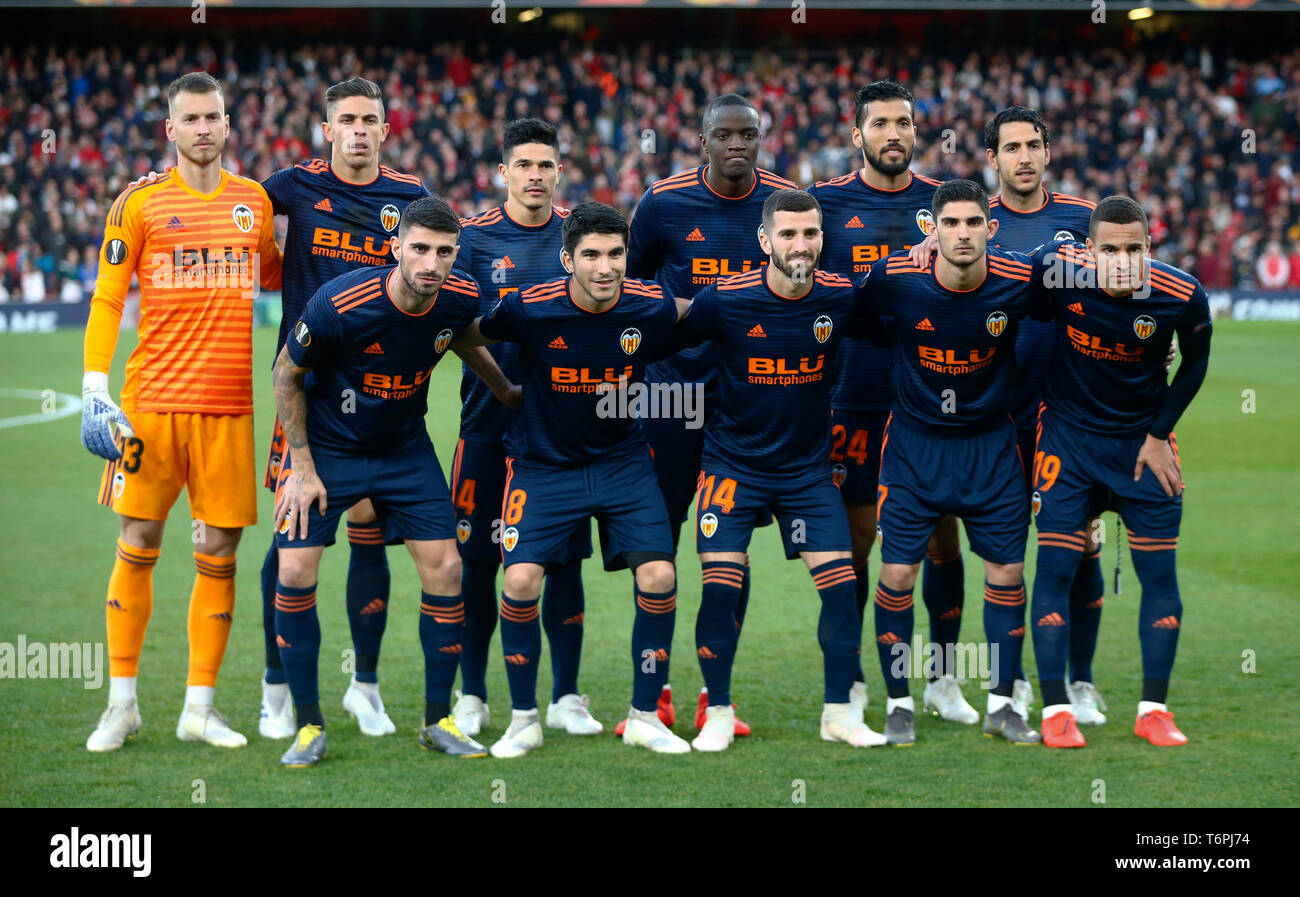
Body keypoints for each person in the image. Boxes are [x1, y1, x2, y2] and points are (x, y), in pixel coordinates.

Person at [271, 197, 514, 767]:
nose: (432, 263)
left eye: (445, 252)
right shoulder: (341, 303)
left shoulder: (458, 297)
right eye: (421, 249)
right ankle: (307, 726)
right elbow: (286, 372)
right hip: (327, 450)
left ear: (457, 254)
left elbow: (458, 339)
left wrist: (504, 391)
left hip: (404, 451)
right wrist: (300, 467)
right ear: (395, 247)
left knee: (447, 567)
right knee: (293, 568)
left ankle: (437, 720)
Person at [81, 72, 283, 752]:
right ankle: (122, 703)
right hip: (150, 407)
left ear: (229, 126)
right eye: (190, 118)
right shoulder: (136, 205)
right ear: (169, 129)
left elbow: (284, 270)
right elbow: (108, 299)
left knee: (217, 550)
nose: (203, 128)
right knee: (136, 544)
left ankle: (199, 706)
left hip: (227, 408)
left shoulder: (253, 204)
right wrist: (93, 385)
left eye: (213, 117)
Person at [457, 202, 694, 758]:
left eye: (615, 254)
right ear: (567, 259)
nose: (605, 266)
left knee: (659, 575)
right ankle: (523, 720)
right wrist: (503, 390)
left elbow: (709, 314)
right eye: (591, 255)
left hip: (624, 464)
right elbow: (465, 335)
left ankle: (643, 716)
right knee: (519, 583)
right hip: (543, 466)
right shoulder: (529, 307)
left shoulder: (649, 303)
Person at [679, 188, 887, 751]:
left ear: (824, 238)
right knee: (721, 590)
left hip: (807, 473)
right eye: (789, 234)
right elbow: (664, 340)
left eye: (811, 233)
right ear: (765, 240)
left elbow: (905, 324)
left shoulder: (841, 296)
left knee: (843, 592)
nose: (801, 244)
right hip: (732, 468)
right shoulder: (725, 299)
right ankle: (718, 711)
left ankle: (839, 713)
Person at [626, 93, 796, 736]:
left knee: (730, 553)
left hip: (747, 405)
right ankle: (659, 690)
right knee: (659, 545)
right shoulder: (663, 202)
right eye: (723, 135)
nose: (736, 145)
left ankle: (714, 697)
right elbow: (633, 286)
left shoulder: (783, 204)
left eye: (746, 135)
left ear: (761, 139)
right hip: (669, 399)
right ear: (702, 140)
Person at [808, 81, 976, 727]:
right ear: (858, 136)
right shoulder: (823, 204)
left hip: (930, 399)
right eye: (880, 124)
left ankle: (941, 678)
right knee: (856, 538)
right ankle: (850, 678)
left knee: (942, 532)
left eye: (903, 122)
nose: (894, 134)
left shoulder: (943, 206)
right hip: (851, 395)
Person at [861, 179, 1041, 745]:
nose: (962, 234)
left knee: (1007, 574)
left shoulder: (1021, 279)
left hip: (991, 446)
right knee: (896, 574)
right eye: (950, 224)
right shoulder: (894, 278)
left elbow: (1085, 312)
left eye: (972, 223)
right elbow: (856, 321)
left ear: (991, 228)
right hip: (915, 447)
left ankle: (1004, 704)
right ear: (931, 231)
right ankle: (897, 704)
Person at [1027, 196, 1211, 748]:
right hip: (1068, 441)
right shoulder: (1060, 278)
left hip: (1143, 449)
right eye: (1111, 249)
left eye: (1135, 249)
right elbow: (1027, 300)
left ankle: (1154, 710)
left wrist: (1159, 435)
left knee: (1159, 577)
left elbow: (1196, 362)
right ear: (1089, 250)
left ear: (1150, 249)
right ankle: (1056, 710)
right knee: (1056, 571)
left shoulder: (1181, 293)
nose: (1123, 260)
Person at [449, 118, 598, 740]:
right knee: (478, 563)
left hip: (559, 435)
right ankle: (475, 693)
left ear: (559, 171)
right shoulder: (474, 239)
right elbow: (454, 326)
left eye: (546, 165)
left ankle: (565, 695)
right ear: (502, 173)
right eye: (524, 165)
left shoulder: (580, 236)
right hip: (487, 426)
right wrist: (503, 387)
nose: (535, 176)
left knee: (561, 563)